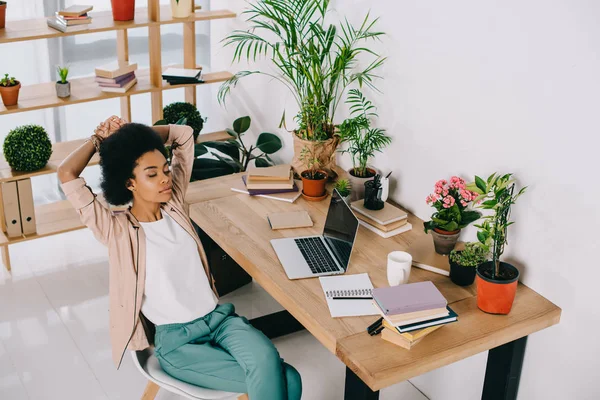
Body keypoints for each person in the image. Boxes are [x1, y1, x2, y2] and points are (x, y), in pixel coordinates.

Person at [57, 116, 302, 400]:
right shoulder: (117, 230)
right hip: (178, 343)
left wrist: (133, 135)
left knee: (287, 376)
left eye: (165, 169)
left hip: (220, 321)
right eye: (152, 174)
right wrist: (100, 141)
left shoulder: (173, 203)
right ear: (129, 183)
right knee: (288, 380)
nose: (164, 178)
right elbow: (67, 174)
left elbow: (183, 135)